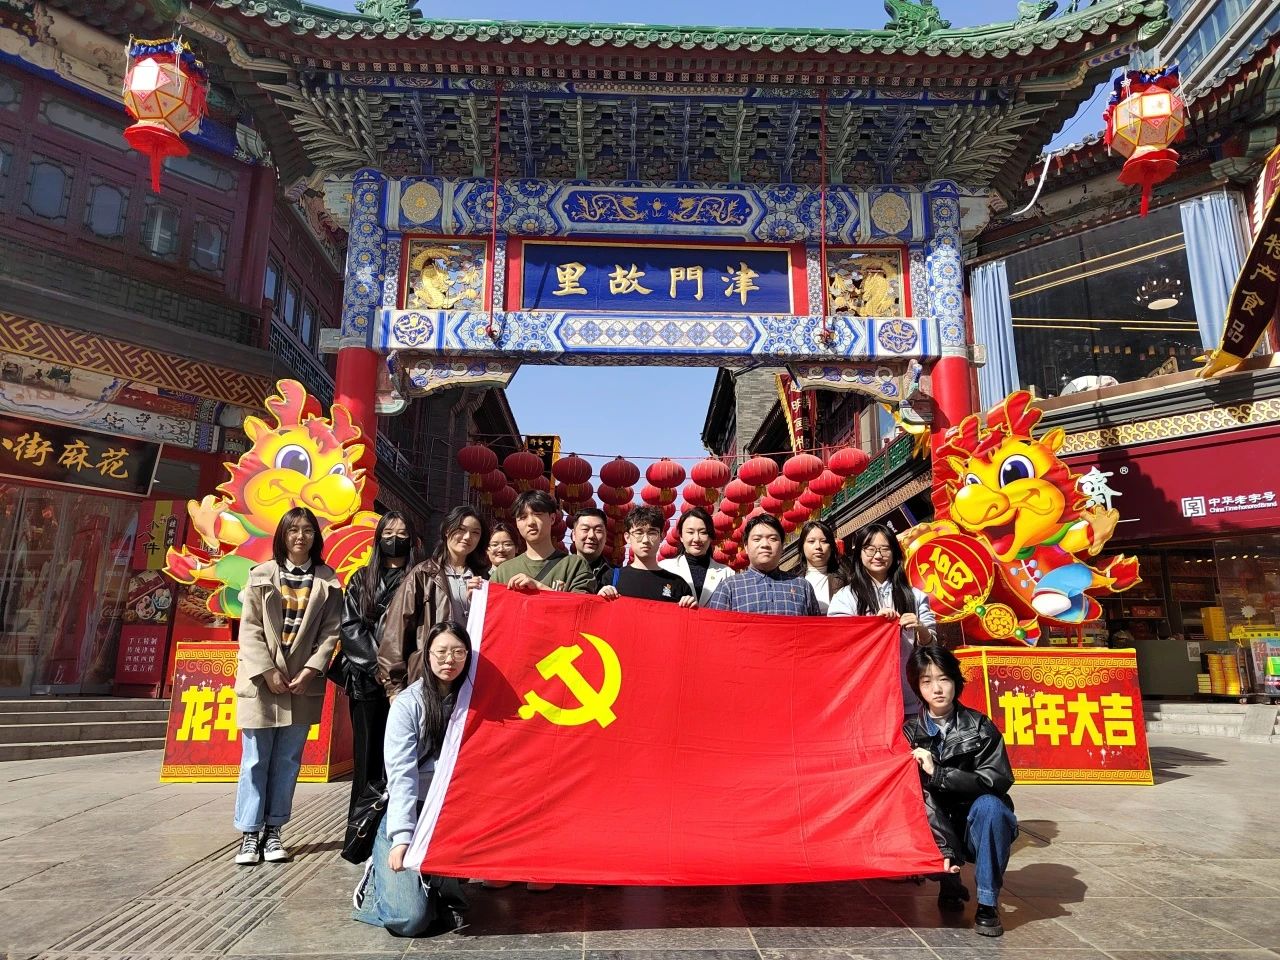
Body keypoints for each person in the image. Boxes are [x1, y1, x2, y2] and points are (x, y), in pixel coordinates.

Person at [232, 506, 342, 866]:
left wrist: (312, 669)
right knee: (255, 760)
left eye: (307, 530)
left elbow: (331, 631)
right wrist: (267, 671)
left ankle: (274, 830)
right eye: (293, 530)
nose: (300, 537)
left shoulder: (327, 580)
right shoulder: (261, 575)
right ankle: (250, 834)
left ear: (315, 537)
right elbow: (249, 629)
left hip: (300, 684)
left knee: (288, 760)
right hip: (261, 682)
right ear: (282, 535)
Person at [353, 621, 473, 937]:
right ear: (427, 655)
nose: (450, 660)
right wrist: (402, 839)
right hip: (411, 810)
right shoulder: (409, 704)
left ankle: (435, 884)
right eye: (441, 652)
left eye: (458, 652)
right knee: (409, 920)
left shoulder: (475, 700)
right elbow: (402, 778)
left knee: (445, 912)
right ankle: (377, 882)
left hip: (451, 815)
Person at [903, 645, 1017, 939]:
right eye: (926, 681)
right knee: (915, 796)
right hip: (934, 829)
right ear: (916, 687)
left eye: (944, 679)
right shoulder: (907, 733)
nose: (937, 689)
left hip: (973, 824)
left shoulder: (980, 726)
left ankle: (988, 903)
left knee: (992, 806)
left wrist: (939, 773)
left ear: (956, 680)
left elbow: (996, 780)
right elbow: (908, 794)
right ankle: (949, 882)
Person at [329, 512, 421, 821]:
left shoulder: (420, 576)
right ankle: (361, 830)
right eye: (388, 533)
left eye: (402, 533)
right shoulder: (361, 578)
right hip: (366, 680)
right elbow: (350, 626)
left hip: (406, 680)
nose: (395, 539)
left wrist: (397, 672)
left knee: (402, 759)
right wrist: (380, 670)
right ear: (379, 538)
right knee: (366, 759)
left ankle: (399, 826)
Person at [379, 506, 488, 698]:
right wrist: (393, 687)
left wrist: (481, 599)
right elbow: (396, 630)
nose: (467, 537)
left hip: (472, 673)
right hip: (431, 673)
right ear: (447, 531)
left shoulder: (484, 578)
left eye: (475, 533)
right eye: (461, 529)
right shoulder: (424, 574)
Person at [829, 523, 936, 714]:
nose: (878, 555)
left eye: (885, 549)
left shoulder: (915, 596)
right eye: (870, 549)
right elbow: (838, 644)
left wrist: (920, 628)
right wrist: (872, 627)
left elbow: (932, 645)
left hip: (911, 698)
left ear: (895, 553)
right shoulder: (845, 598)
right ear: (859, 554)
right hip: (866, 700)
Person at [705, 514, 820, 616]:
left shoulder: (802, 586)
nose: (765, 544)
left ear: (782, 547)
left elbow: (816, 629)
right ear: (746, 547)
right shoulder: (729, 587)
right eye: (757, 539)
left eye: (773, 539)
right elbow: (714, 629)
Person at [492, 491, 597, 595]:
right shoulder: (503, 572)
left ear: (552, 518)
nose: (531, 522)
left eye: (537, 514)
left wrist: (539, 587)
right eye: (523, 517)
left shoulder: (574, 565)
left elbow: (582, 604)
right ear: (517, 523)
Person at [598, 506, 697, 606]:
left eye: (652, 533)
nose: (645, 540)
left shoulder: (678, 584)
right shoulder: (611, 579)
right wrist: (600, 598)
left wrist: (690, 607)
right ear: (627, 537)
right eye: (639, 533)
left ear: (661, 537)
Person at [659, 507, 734, 606]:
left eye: (703, 532)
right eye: (690, 532)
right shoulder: (665, 568)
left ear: (710, 537)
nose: (696, 539)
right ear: (681, 536)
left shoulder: (727, 574)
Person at [798, 518, 849, 614]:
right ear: (802, 546)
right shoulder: (794, 583)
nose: (818, 546)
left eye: (824, 541)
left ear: (831, 547)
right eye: (811, 541)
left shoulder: (846, 579)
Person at [570, 507, 613, 590]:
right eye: (585, 529)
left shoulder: (617, 575)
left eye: (598, 530)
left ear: (606, 536)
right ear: (573, 535)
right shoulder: (559, 570)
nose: (591, 535)